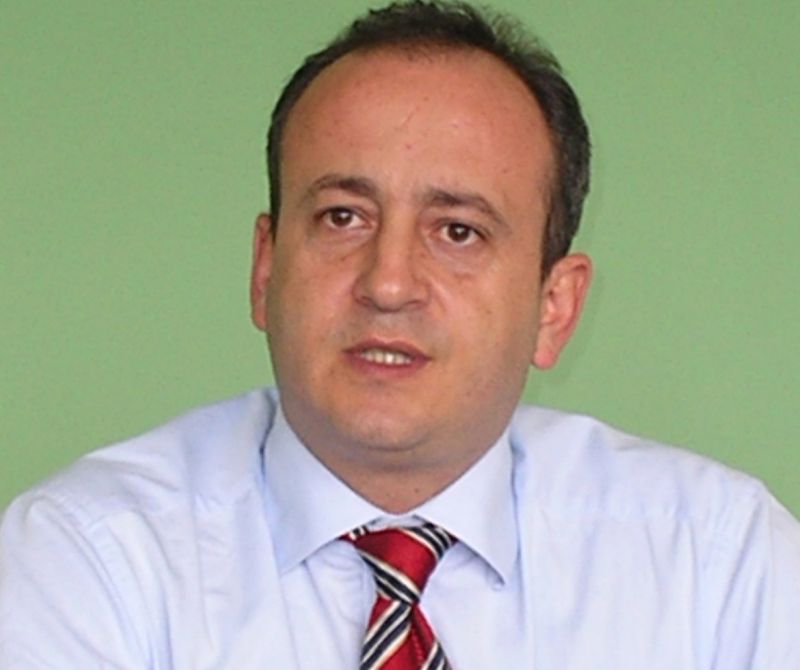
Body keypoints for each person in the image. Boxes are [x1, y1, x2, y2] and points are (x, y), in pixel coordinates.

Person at [1, 1, 798, 668]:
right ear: (266, 268)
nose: (388, 284)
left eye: (458, 231)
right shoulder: (88, 558)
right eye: (342, 218)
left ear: (554, 307)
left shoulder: (719, 564)